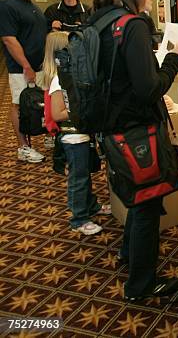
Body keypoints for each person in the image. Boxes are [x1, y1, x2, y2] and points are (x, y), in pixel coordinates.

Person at [89, 0, 178, 301]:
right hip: (137, 134)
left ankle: (128, 256)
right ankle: (140, 287)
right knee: (146, 208)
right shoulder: (131, 25)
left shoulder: (99, 22)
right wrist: (176, 57)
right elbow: (150, 89)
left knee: (137, 199)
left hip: (113, 131)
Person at [43, 31, 111, 235]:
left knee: (85, 175)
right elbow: (57, 113)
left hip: (81, 135)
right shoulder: (58, 80)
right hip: (72, 137)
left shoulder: (69, 75)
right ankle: (78, 219)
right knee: (78, 178)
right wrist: (84, 110)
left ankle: (91, 206)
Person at [0, 0, 47, 163]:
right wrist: (26, 66)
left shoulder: (33, 7)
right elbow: (9, 39)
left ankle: (44, 135)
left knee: (40, 103)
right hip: (21, 68)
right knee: (20, 105)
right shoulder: (7, 6)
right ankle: (23, 147)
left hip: (40, 66)